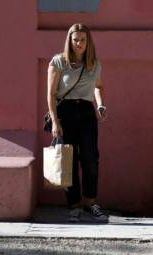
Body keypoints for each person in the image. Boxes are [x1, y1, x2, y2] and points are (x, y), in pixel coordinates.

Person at [47, 23, 108, 222]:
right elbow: (51, 94)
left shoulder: (94, 64)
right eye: (75, 40)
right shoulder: (58, 62)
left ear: (88, 42)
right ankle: (74, 205)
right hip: (66, 113)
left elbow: (98, 87)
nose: (79, 44)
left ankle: (90, 202)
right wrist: (55, 121)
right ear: (69, 41)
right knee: (68, 160)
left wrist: (100, 105)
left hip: (86, 113)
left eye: (82, 40)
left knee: (91, 158)